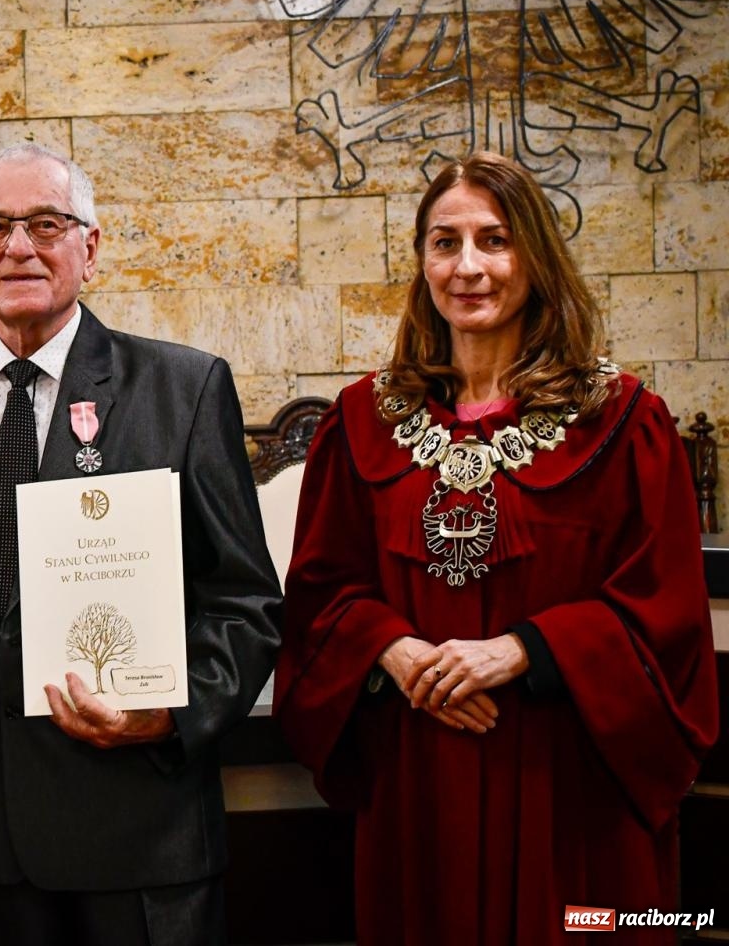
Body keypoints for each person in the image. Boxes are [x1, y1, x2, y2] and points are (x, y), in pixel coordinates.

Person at [274, 151, 720, 944]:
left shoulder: (621, 422)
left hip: (568, 785)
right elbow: (320, 593)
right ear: (421, 263)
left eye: (495, 240)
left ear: (535, 256)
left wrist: (522, 651)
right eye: (445, 243)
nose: (468, 266)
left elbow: (667, 614)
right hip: (418, 776)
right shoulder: (362, 422)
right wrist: (395, 649)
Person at [0, 143, 282, 945]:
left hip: (139, 827)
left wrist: (166, 713)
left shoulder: (183, 388)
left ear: (89, 248)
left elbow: (246, 602)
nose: (18, 246)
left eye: (46, 224)